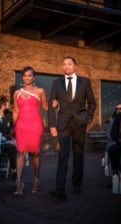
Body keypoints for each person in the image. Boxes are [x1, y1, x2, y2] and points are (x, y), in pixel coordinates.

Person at [48, 56, 96, 200]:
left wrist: (88, 117)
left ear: (75, 66)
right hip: (63, 123)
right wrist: (52, 125)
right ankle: (59, 189)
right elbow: (51, 106)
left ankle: (76, 185)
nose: (66, 66)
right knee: (62, 155)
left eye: (69, 64)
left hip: (80, 123)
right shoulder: (57, 83)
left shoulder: (85, 82)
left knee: (78, 154)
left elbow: (92, 103)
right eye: (64, 64)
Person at [13, 66, 49, 195]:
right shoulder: (17, 93)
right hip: (21, 126)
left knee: (35, 153)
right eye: (25, 75)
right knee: (21, 153)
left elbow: (45, 107)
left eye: (30, 75)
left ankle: (36, 180)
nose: (27, 77)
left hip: (35, 125)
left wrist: (55, 105)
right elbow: (16, 112)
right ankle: (18, 183)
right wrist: (13, 127)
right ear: (22, 77)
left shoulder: (40, 91)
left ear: (34, 78)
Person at [0, 95, 17, 177]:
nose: (6, 106)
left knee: (10, 147)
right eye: (5, 105)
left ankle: (14, 170)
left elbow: (12, 129)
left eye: (7, 105)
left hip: (6, 140)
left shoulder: (9, 115)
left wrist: (6, 137)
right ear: (0, 105)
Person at [108, 104, 121, 175]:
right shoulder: (118, 117)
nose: (119, 110)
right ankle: (116, 173)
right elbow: (112, 132)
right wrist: (118, 140)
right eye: (117, 108)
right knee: (112, 149)